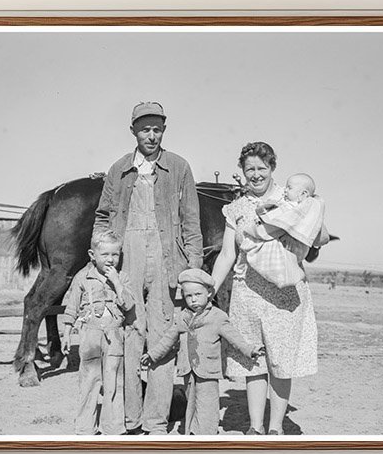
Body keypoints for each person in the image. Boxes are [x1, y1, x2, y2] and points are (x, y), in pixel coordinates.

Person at [94, 101, 202, 434]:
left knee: (163, 338)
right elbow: (102, 217)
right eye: (145, 129)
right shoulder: (119, 169)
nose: (151, 135)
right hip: (128, 259)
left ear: (163, 131)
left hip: (167, 257)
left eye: (157, 129)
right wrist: (103, 257)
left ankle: (156, 422)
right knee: (129, 335)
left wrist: (192, 270)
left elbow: (191, 223)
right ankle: (131, 420)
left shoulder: (179, 167)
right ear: (134, 132)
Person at [211, 142, 319, 436]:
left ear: (272, 168)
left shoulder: (293, 200)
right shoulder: (235, 209)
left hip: (284, 295)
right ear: (242, 172)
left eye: (261, 168)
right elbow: (226, 255)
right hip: (247, 293)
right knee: (253, 361)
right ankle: (255, 426)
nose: (255, 175)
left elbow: (316, 237)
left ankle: (275, 427)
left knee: (281, 362)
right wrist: (211, 288)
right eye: (249, 170)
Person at [143, 268, 263, 436]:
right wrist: (153, 355)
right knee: (191, 400)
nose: (193, 300)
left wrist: (250, 349)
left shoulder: (217, 317)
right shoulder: (182, 317)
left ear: (209, 293)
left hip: (208, 369)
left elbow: (234, 337)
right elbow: (168, 339)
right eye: (188, 296)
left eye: (197, 294)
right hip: (188, 369)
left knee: (208, 402)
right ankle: (192, 431)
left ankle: (207, 434)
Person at [62, 228, 135, 436]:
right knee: (89, 382)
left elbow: (129, 305)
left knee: (113, 383)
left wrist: (117, 283)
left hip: (114, 337)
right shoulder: (82, 277)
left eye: (115, 254)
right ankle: (85, 427)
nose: (111, 259)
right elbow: (72, 308)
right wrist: (67, 333)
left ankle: (112, 428)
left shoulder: (123, 278)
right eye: (105, 255)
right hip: (89, 336)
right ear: (92, 256)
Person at [243, 173, 326, 288]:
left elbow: (284, 220)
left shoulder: (299, 209)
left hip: (292, 247)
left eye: (289, 188)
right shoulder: (288, 204)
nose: (285, 191)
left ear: (303, 194)